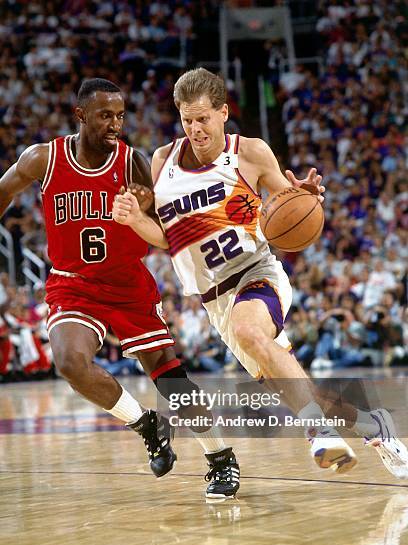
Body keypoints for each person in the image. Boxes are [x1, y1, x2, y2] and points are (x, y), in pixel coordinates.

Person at [113, 68, 408, 479]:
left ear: (223, 113)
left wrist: (306, 196)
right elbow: (166, 238)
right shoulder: (162, 161)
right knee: (298, 388)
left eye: (203, 119)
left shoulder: (249, 152)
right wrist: (133, 220)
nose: (195, 129)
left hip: (256, 272)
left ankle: (316, 432)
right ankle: (374, 427)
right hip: (214, 299)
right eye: (186, 119)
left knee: (251, 330)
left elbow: (289, 203)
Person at [0, 77, 241, 499]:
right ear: (80, 115)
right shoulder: (44, 158)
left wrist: (145, 210)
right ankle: (147, 424)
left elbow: (170, 226)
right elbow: (4, 190)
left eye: (120, 115)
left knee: (170, 378)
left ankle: (221, 459)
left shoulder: (134, 163)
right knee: (70, 362)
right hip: (73, 284)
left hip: (127, 283)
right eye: (105, 115)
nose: (115, 124)